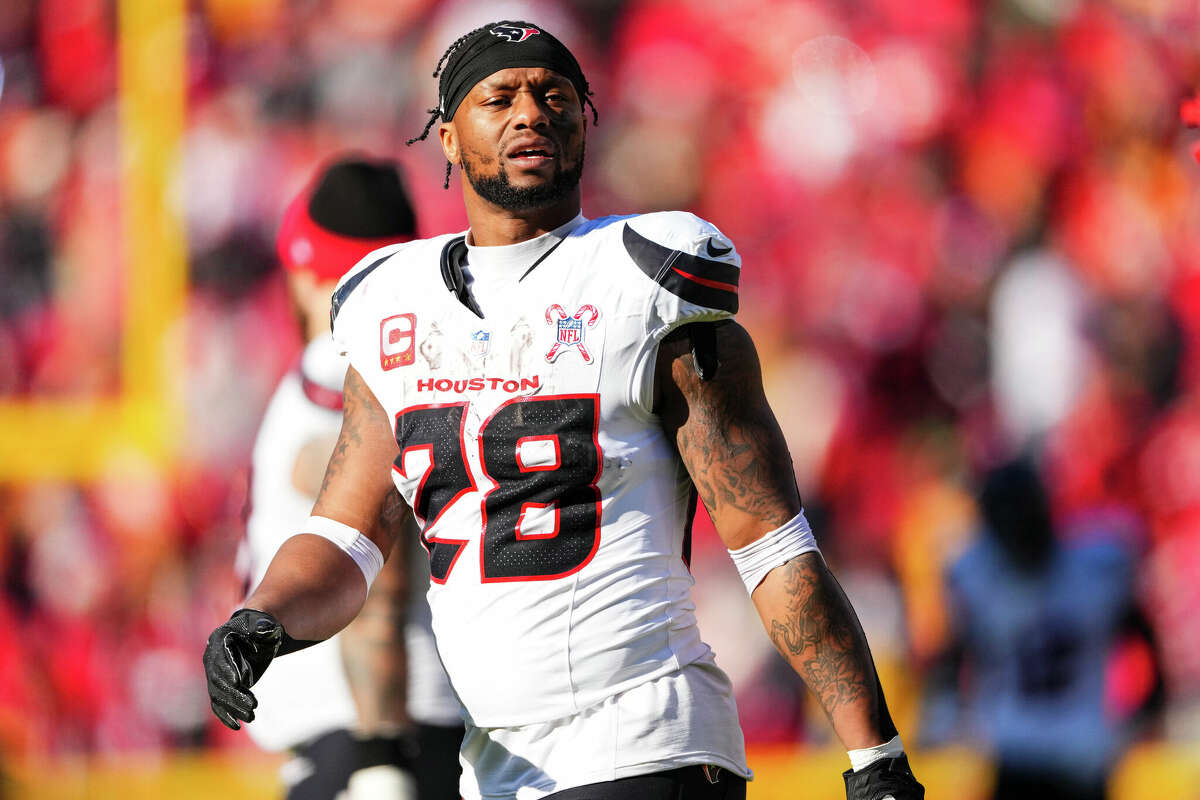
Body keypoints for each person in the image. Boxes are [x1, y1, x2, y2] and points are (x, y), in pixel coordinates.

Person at [205, 22, 924, 800]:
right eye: (500, 96)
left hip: (645, 743)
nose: (530, 113)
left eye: (554, 95)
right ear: (447, 137)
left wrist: (873, 752)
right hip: (500, 769)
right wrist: (265, 617)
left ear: (586, 121)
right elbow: (347, 538)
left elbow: (769, 542)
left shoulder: (644, 282)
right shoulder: (390, 305)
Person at [238, 156, 463, 800]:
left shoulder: (345, 358)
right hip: (420, 725)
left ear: (307, 270)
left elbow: (368, 536)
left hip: (374, 727)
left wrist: (378, 755)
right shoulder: (411, 350)